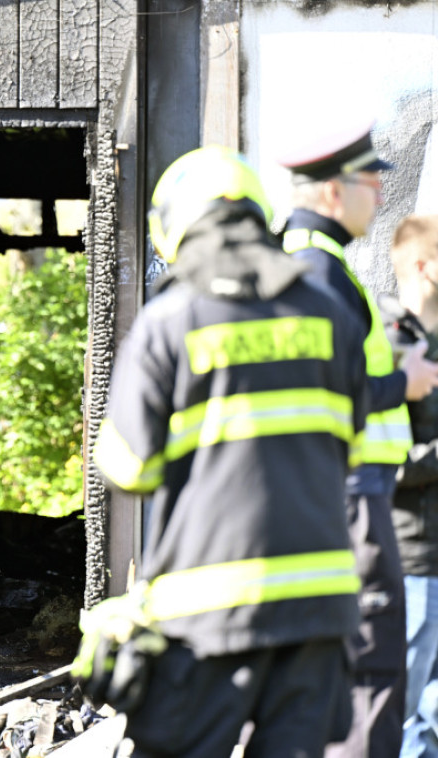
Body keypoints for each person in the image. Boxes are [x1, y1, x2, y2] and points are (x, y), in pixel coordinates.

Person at [73, 145, 370, 757]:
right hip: (319, 612)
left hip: (203, 619)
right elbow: (355, 448)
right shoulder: (329, 313)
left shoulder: (171, 320)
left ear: (176, 229)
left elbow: (125, 467)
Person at [278, 122, 438, 758]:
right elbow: (318, 392)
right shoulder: (315, 271)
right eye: (372, 182)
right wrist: (401, 382)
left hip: (357, 493)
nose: (380, 196)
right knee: (372, 670)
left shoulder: (326, 267)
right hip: (354, 494)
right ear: (333, 192)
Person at [385, 214, 438, 758]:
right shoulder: (389, 343)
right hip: (413, 556)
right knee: (403, 710)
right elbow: (382, 459)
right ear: (424, 266)